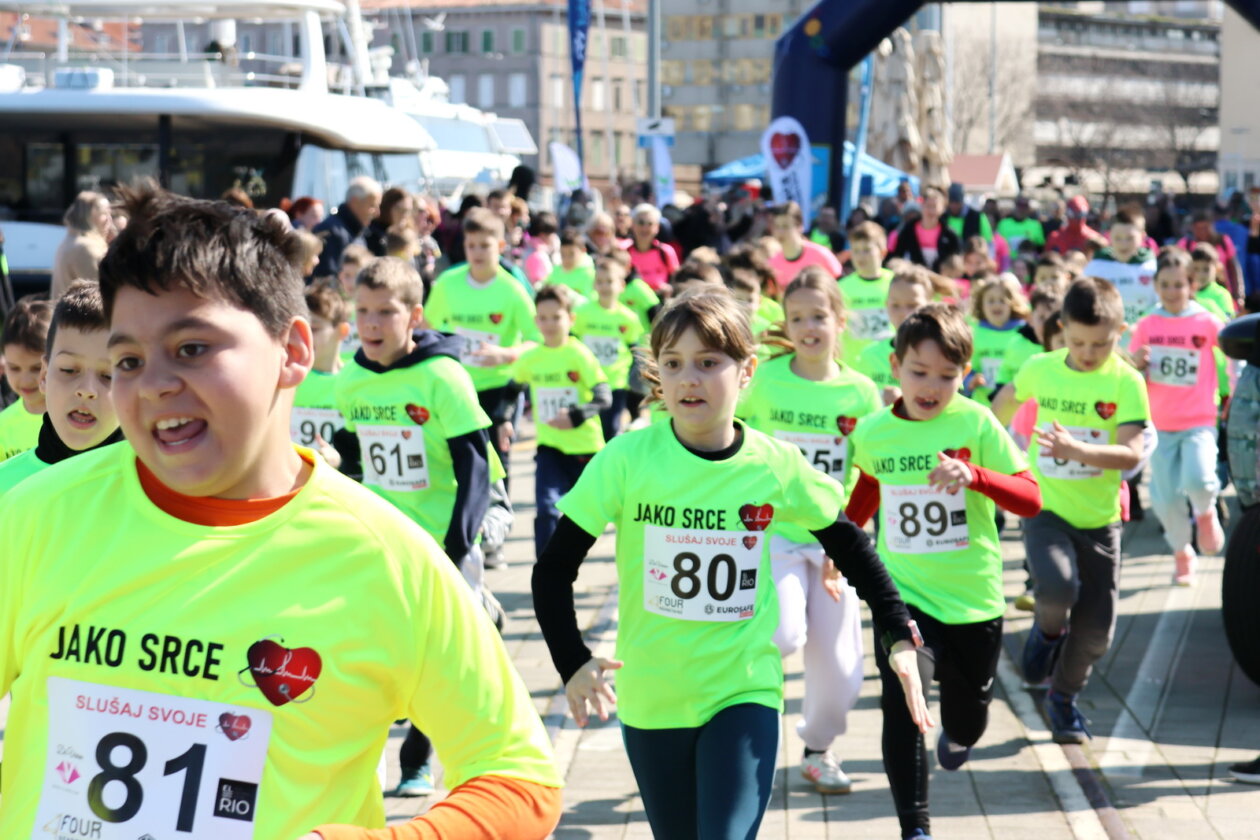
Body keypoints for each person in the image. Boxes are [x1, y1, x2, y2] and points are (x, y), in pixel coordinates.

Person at [0, 182, 562, 839]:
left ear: (294, 351)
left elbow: (519, 775)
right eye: (127, 359)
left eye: (192, 348)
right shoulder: (35, 515)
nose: (153, 385)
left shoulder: (384, 557)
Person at [532, 289, 931, 840]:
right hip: (653, 697)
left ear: (746, 373)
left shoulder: (774, 464)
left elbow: (852, 544)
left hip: (743, 691)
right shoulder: (625, 461)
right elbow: (553, 570)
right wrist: (572, 660)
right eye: (672, 365)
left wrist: (898, 635)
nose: (688, 379)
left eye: (707, 363)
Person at [847, 303, 1042, 840]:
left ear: (966, 375)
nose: (931, 386)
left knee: (966, 717)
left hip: (974, 600)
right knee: (903, 699)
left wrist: (975, 475)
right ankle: (916, 828)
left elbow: (1030, 498)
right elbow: (863, 497)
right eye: (919, 372)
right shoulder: (874, 432)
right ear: (895, 365)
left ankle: (960, 734)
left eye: (947, 376)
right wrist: (831, 555)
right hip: (903, 596)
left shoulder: (976, 421)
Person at [737, 268, 882, 795]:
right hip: (771, 535)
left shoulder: (862, 393)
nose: (808, 327)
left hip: (833, 541)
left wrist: (852, 541)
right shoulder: (766, 379)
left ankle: (818, 751)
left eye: (819, 316)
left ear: (840, 321)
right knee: (783, 633)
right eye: (796, 318)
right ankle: (737, 722)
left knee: (843, 672)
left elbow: (871, 475)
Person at [992, 277, 1149, 744]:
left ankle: (1064, 699)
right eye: (1078, 342)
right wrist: (985, 456)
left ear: (1120, 331)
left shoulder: (1126, 381)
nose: (1088, 352)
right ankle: (1044, 637)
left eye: (1101, 343)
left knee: (1097, 631)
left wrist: (1076, 450)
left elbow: (1132, 454)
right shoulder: (1040, 367)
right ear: (1061, 328)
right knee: (1057, 589)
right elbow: (999, 408)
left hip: (1101, 520)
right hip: (1045, 508)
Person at [1128, 248, 1225, 585]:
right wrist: (1136, 362)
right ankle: (1182, 553)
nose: (1171, 292)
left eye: (1178, 285)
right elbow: (1129, 371)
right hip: (1159, 426)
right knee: (1165, 499)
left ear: (1192, 285)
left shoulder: (1206, 320)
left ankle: (1205, 513)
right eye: (1165, 285)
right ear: (1155, 286)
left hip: (1199, 419)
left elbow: (1234, 356)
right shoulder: (1147, 324)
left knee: (1199, 479)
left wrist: (1235, 392)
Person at [424, 208, 539, 487]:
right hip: (457, 386)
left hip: (499, 389)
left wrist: (507, 354)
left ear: (500, 246)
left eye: (484, 245)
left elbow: (538, 340)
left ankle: (499, 519)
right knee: (456, 456)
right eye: (470, 245)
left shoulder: (512, 289)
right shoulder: (448, 283)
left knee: (497, 460)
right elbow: (427, 328)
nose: (476, 252)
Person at [509, 285, 609, 556]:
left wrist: (575, 416)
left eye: (556, 317)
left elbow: (603, 397)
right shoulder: (531, 358)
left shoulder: (579, 354)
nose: (550, 324)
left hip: (584, 449)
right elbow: (511, 390)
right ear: (536, 321)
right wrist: (503, 419)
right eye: (543, 318)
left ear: (571, 319)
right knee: (546, 507)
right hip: (549, 447)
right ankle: (546, 568)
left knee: (586, 516)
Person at [0, 280, 123, 495]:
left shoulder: (161, 488)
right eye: (69, 370)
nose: (86, 390)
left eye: (108, 375)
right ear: (45, 375)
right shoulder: (7, 486)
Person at [573, 256, 643, 441]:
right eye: (600, 282)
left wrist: (636, 375)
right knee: (588, 429)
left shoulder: (628, 318)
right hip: (587, 383)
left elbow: (634, 349)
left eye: (610, 281)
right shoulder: (582, 313)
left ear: (621, 285)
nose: (604, 286)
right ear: (594, 285)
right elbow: (572, 342)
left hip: (615, 383)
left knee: (610, 429)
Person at [854, 263, 936, 406]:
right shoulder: (869, 355)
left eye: (912, 305)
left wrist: (905, 401)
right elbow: (859, 407)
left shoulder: (940, 355)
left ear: (929, 305)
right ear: (886, 305)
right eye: (895, 305)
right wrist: (879, 397)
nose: (903, 313)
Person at [291, 283, 351, 465]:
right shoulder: (288, 380)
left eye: (314, 329)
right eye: (299, 329)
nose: (305, 337)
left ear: (342, 331)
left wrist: (340, 461)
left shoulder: (358, 380)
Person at [1083, 209, 1158, 325]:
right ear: (1109, 235)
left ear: (1142, 236)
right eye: (1118, 238)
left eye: (1130, 238)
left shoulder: (1152, 269)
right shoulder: (1095, 268)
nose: (1123, 244)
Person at [0, 296, 52, 460]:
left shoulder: (77, 419)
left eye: (37, 368)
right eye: (14, 368)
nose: (26, 380)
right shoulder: (3, 425)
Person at [838, 221, 895, 364]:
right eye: (855, 250)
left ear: (882, 252)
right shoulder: (841, 287)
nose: (860, 256)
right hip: (852, 362)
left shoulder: (895, 283)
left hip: (887, 363)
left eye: (866, 250)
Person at [968, 274, 1030, 403]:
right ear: (981, 305)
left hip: (1014, 404)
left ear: (1012, 304)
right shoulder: (974, 333)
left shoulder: (1023, 332)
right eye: (990, 300)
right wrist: (971, 380)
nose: (996, 304)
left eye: (1002, 300)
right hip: (983, 403)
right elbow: (968, 368)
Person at [312, 175, 383, 279]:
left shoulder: (357, 232)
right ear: (355, 202)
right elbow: (326, 282)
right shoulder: (330, 231)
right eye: (372, 206)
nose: (377, 213)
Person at [767, 201, 843, 292]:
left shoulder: (821, 255)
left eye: (786, 226)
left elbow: (842, 288)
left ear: (800, 226)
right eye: (777, 226)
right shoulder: (771, 264)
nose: (780, 231)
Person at [51, 190, 112, 299]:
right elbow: (99, 295)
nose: (109, 220)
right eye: (104, 213)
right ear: (88, 216)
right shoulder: (87, 249)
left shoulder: (71, 240)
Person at [887, 186, 963, 272]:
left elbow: (957, 262)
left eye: (934, 206)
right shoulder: (907, 230)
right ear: (921, 206)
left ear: (942, 209)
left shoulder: (950, 235)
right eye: (928, 206)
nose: (931, 211)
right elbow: (896, 257)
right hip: (913, 280)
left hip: (941, 281)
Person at [1180, 210, 1244, 305]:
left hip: (1224, 294)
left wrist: (1239, 294)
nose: (1202, 232)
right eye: (1198, 228)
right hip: (1196, 296)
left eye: (1205, 227)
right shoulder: (1186, 244)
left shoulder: (1223, 241)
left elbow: (1234, 267)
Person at [624, 203, 680, 293]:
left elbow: (677, 280)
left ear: (657, 227)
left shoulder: (666, 252)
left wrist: (668, 289)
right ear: (633, 225)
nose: (645, 228)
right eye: (641, 223)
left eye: (650, 224)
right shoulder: (623, 251)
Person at [545, 227, 598, 300]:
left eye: (571, 254)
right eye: (563, 254)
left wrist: (569, 294)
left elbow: (590, 301)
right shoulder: (555, 271)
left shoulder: (590, 274)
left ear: (583, 250)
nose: (566, 259)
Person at [1190, 242, 1238, 322]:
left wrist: (1206, 305)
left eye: (1206, 269)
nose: (1200, 274)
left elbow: (1228, 321)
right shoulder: (1185, 292)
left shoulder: (1222, 294)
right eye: (1196, 269)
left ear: (1216, 269)